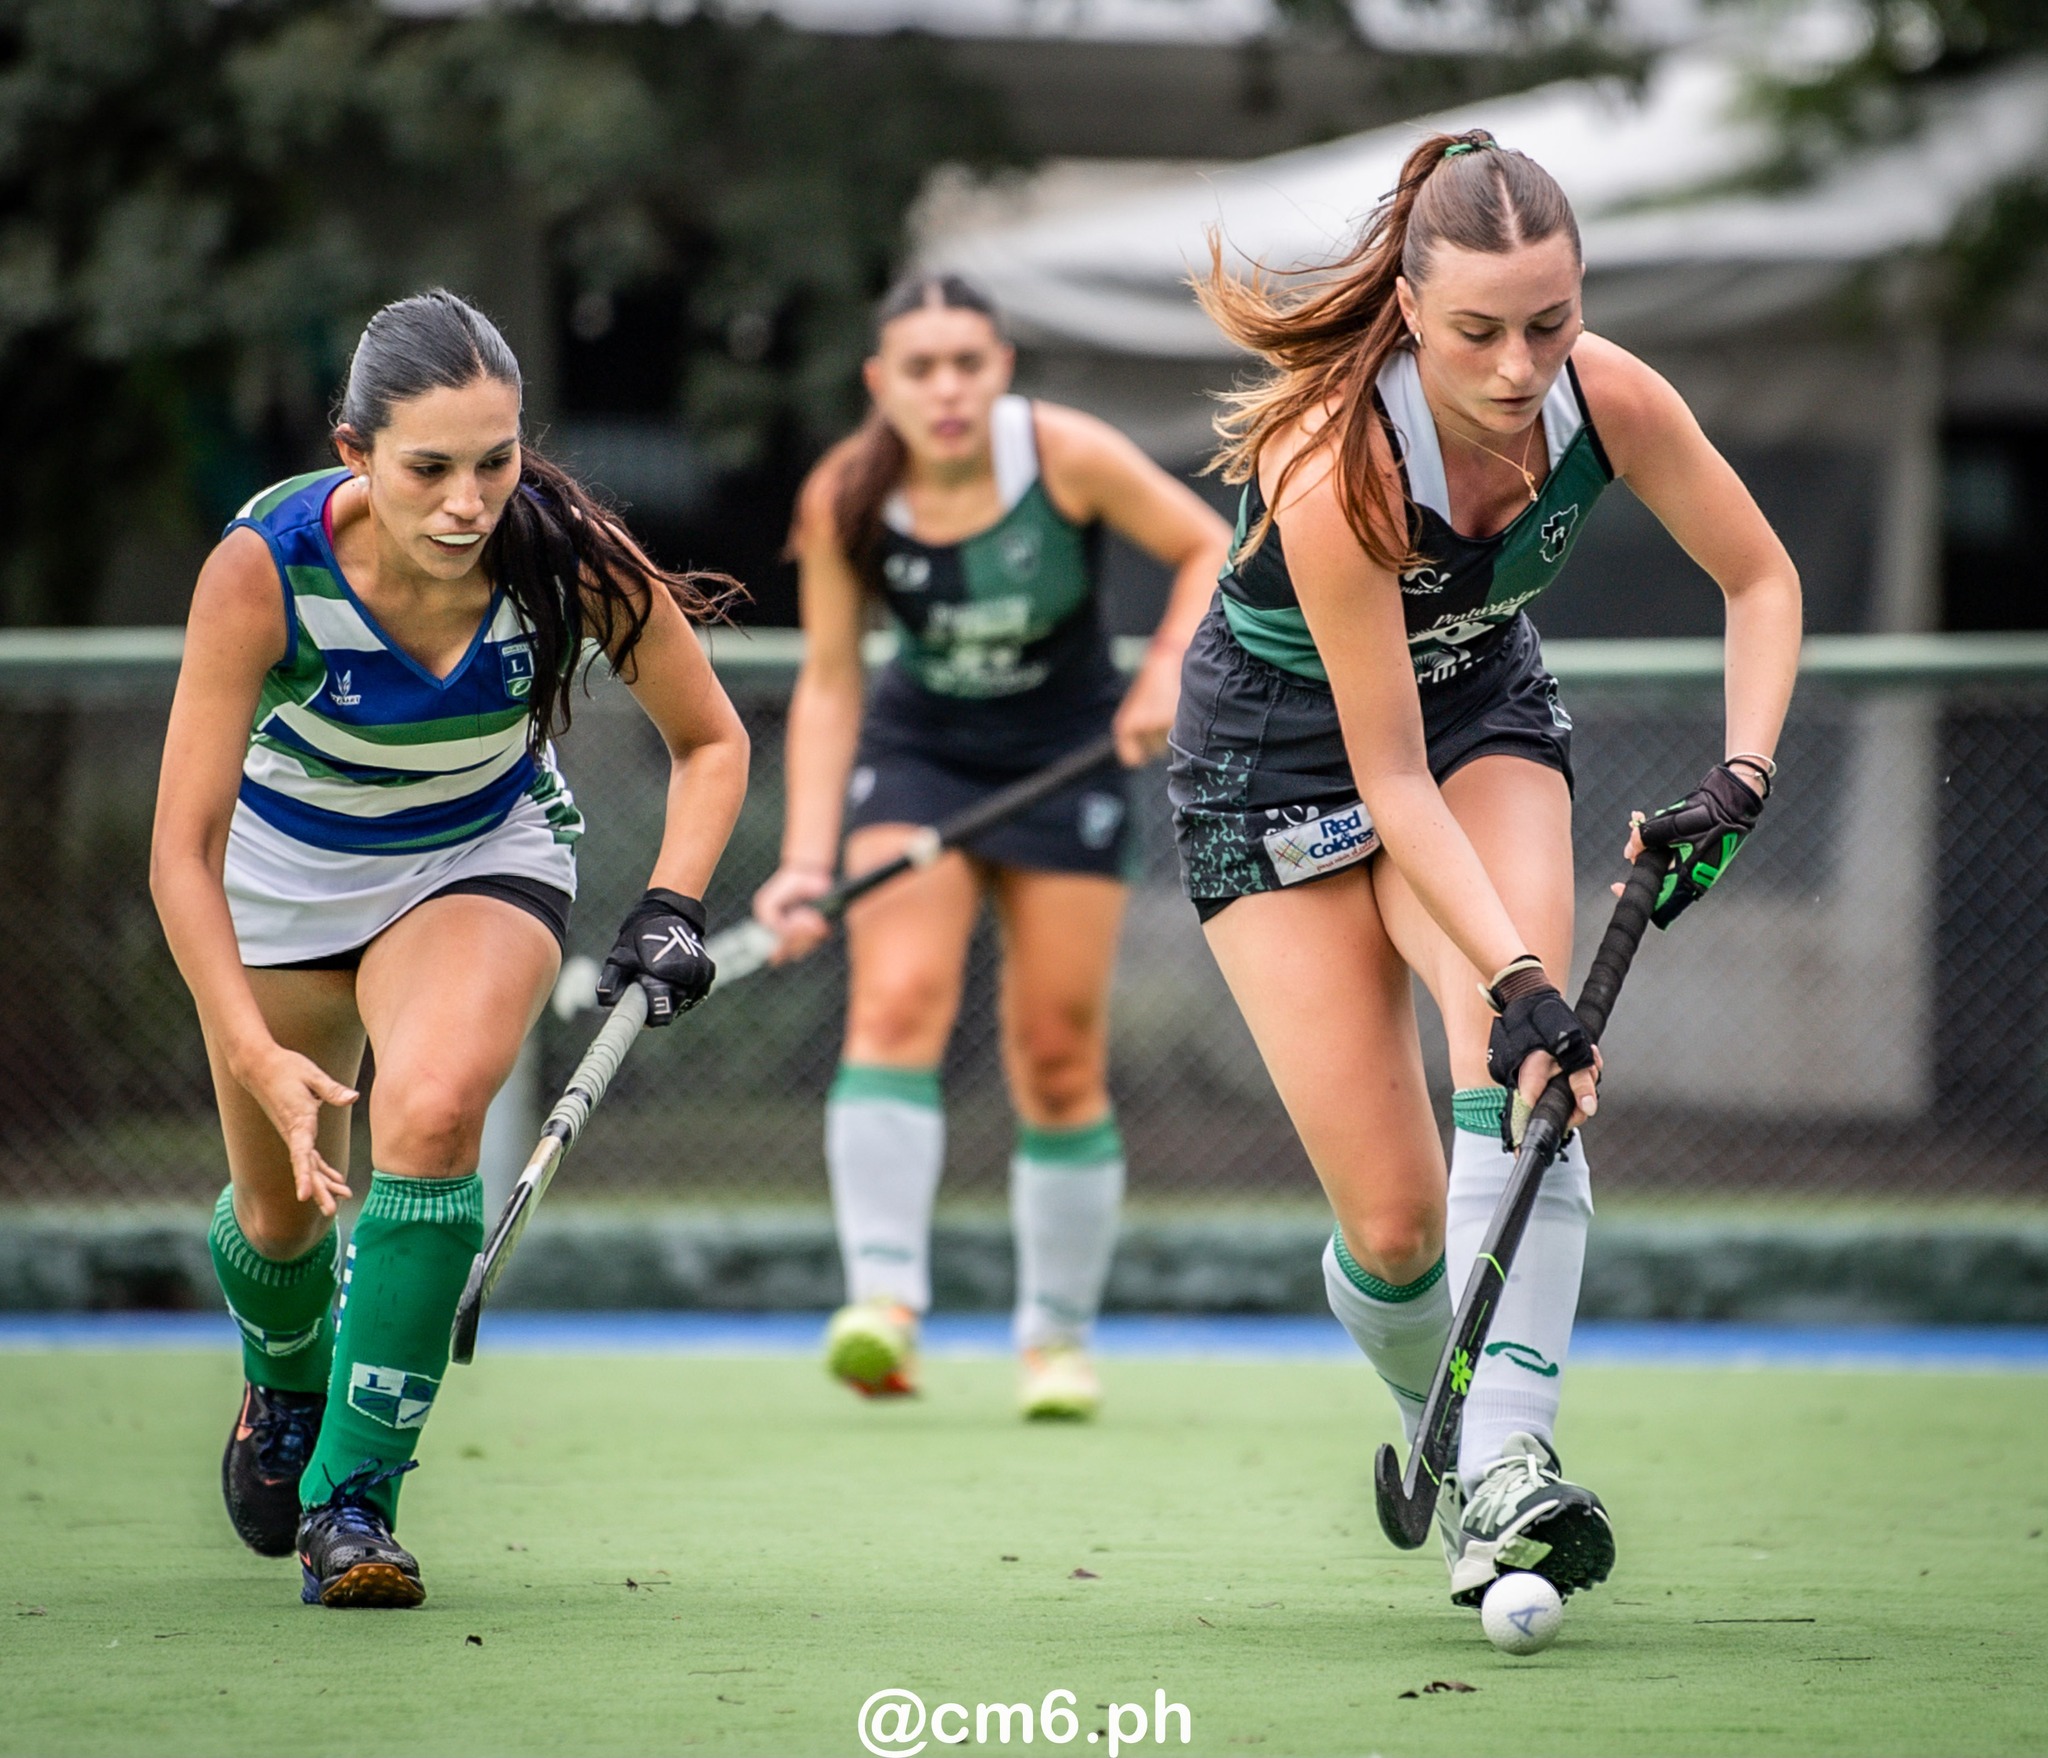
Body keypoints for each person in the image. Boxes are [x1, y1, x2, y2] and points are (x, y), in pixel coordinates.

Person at [1170, 133, 1800, 1603]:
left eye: (1550, 321)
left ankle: (1509, 1455)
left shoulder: (1612, 400)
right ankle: (1438, 1429)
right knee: (1391, 1228)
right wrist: (1521, 973)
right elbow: (1382, 779)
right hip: (1272, 759)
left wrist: (1743, 774)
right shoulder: (1336, 467)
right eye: (1476, 331)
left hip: (1481, 709)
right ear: (1405, 303)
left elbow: (1760, 577)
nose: (1521, 367)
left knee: (1519, 1079)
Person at [150, 290, 749, 1608]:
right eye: (430, 466)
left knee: (427, 1110)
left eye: (498, 458)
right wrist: (249, 1048)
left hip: (475, 857)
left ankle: (356, 1501)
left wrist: (672, 900)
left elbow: (712, 739)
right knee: (280, 1221)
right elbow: (179, 854)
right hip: (281, 887)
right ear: (354, 452)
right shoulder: (265, 569)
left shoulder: (569, 555)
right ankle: (285, 1372)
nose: (471, 498)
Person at [752, 274, 1231, 1419]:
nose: (947, 387)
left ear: (1000, 368)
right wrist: (806, 861)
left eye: (967, 361)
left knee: (1056, 1049)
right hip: (920, 759)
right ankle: (884, 1308)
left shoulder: (1066, 456)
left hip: (1065, 759)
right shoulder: (845, 496)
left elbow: (1209, 548)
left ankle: (1054, 1341)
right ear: (881, 385)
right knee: (897, 1001)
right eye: (919, 368)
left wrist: (1167, 664)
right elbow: (826, 683)